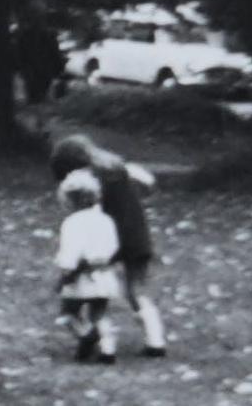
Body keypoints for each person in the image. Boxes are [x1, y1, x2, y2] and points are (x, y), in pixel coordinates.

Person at [50, 134, 168, 357]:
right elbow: (148, 182)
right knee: (136, 291)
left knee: (96, 293)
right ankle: (155, 339)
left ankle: (100, 338)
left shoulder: (88, 180)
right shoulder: (118, 167)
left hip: (111, 239)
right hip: (137, 236)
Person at [53, 168, 120, 364]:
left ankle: (86, 335)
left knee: (68, 312)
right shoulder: (106, 220)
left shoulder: (73, 223)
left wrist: (66, 271)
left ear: (71, 200)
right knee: (99, 313)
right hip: (104, 274)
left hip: (81, 276)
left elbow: (71, 252)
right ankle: (108, 348)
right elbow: (113, 246)